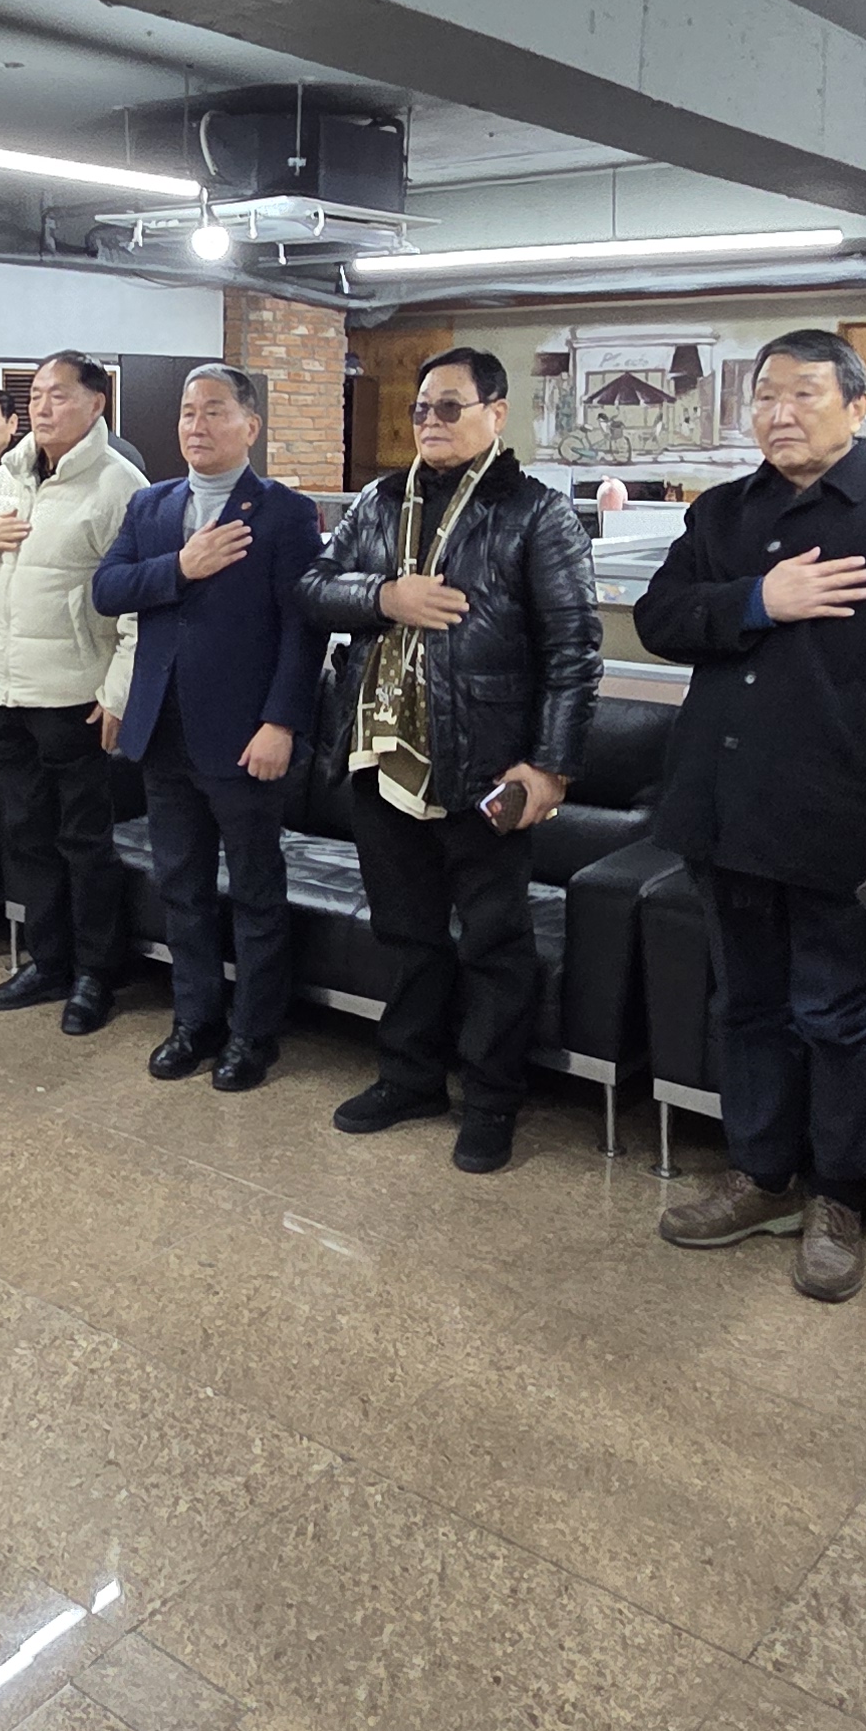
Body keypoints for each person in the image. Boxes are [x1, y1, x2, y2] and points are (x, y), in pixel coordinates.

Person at [639, 335, 866, 1298]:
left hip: (840, 818)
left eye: (804, 394)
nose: (779, 413)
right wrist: (759, 598)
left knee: (833, 1011)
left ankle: (841, 1193)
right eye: (765, 397)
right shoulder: (722, 511)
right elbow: (662, 620)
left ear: (858, 407)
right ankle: (761, 1176)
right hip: (723, 808)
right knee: (745, 1005)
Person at [298, 346, 600, 1175]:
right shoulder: (379, 501)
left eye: (449, 407)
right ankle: (410, 1078)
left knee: (495, 942)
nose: (430, 422)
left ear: (496, 414)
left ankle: (493, 1099)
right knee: (407, 932)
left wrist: (551, 766)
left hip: (485, 762)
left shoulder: (537, 513)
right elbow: (313, 589)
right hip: (381, 751)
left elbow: (574, 649)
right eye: (421, 408)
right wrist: (382, 597)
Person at [95, 364, 325, 1092]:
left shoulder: (285, 513)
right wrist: (181, 567)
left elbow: (304, 630)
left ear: (250, 426)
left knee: (255, 890)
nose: (197, 425)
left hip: (245, 735)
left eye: (215, 411)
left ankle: (255, 1032)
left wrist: (281, 721)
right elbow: (108, 589)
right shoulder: (152, 506)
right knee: (181, 886)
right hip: (162, 729)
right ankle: (194, 1021)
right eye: (189, 412)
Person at [0, 351, 144, 1034]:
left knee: (84, 841)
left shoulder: (120, 485)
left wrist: (117, 692)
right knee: (26, 836)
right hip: (2, 691)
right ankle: (47, 960)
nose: (43, 407)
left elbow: (139, 608)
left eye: (59, 395)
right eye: (35, 395)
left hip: (75, 697)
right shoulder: (7, 474)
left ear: (96, 404)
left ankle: (96, 975)